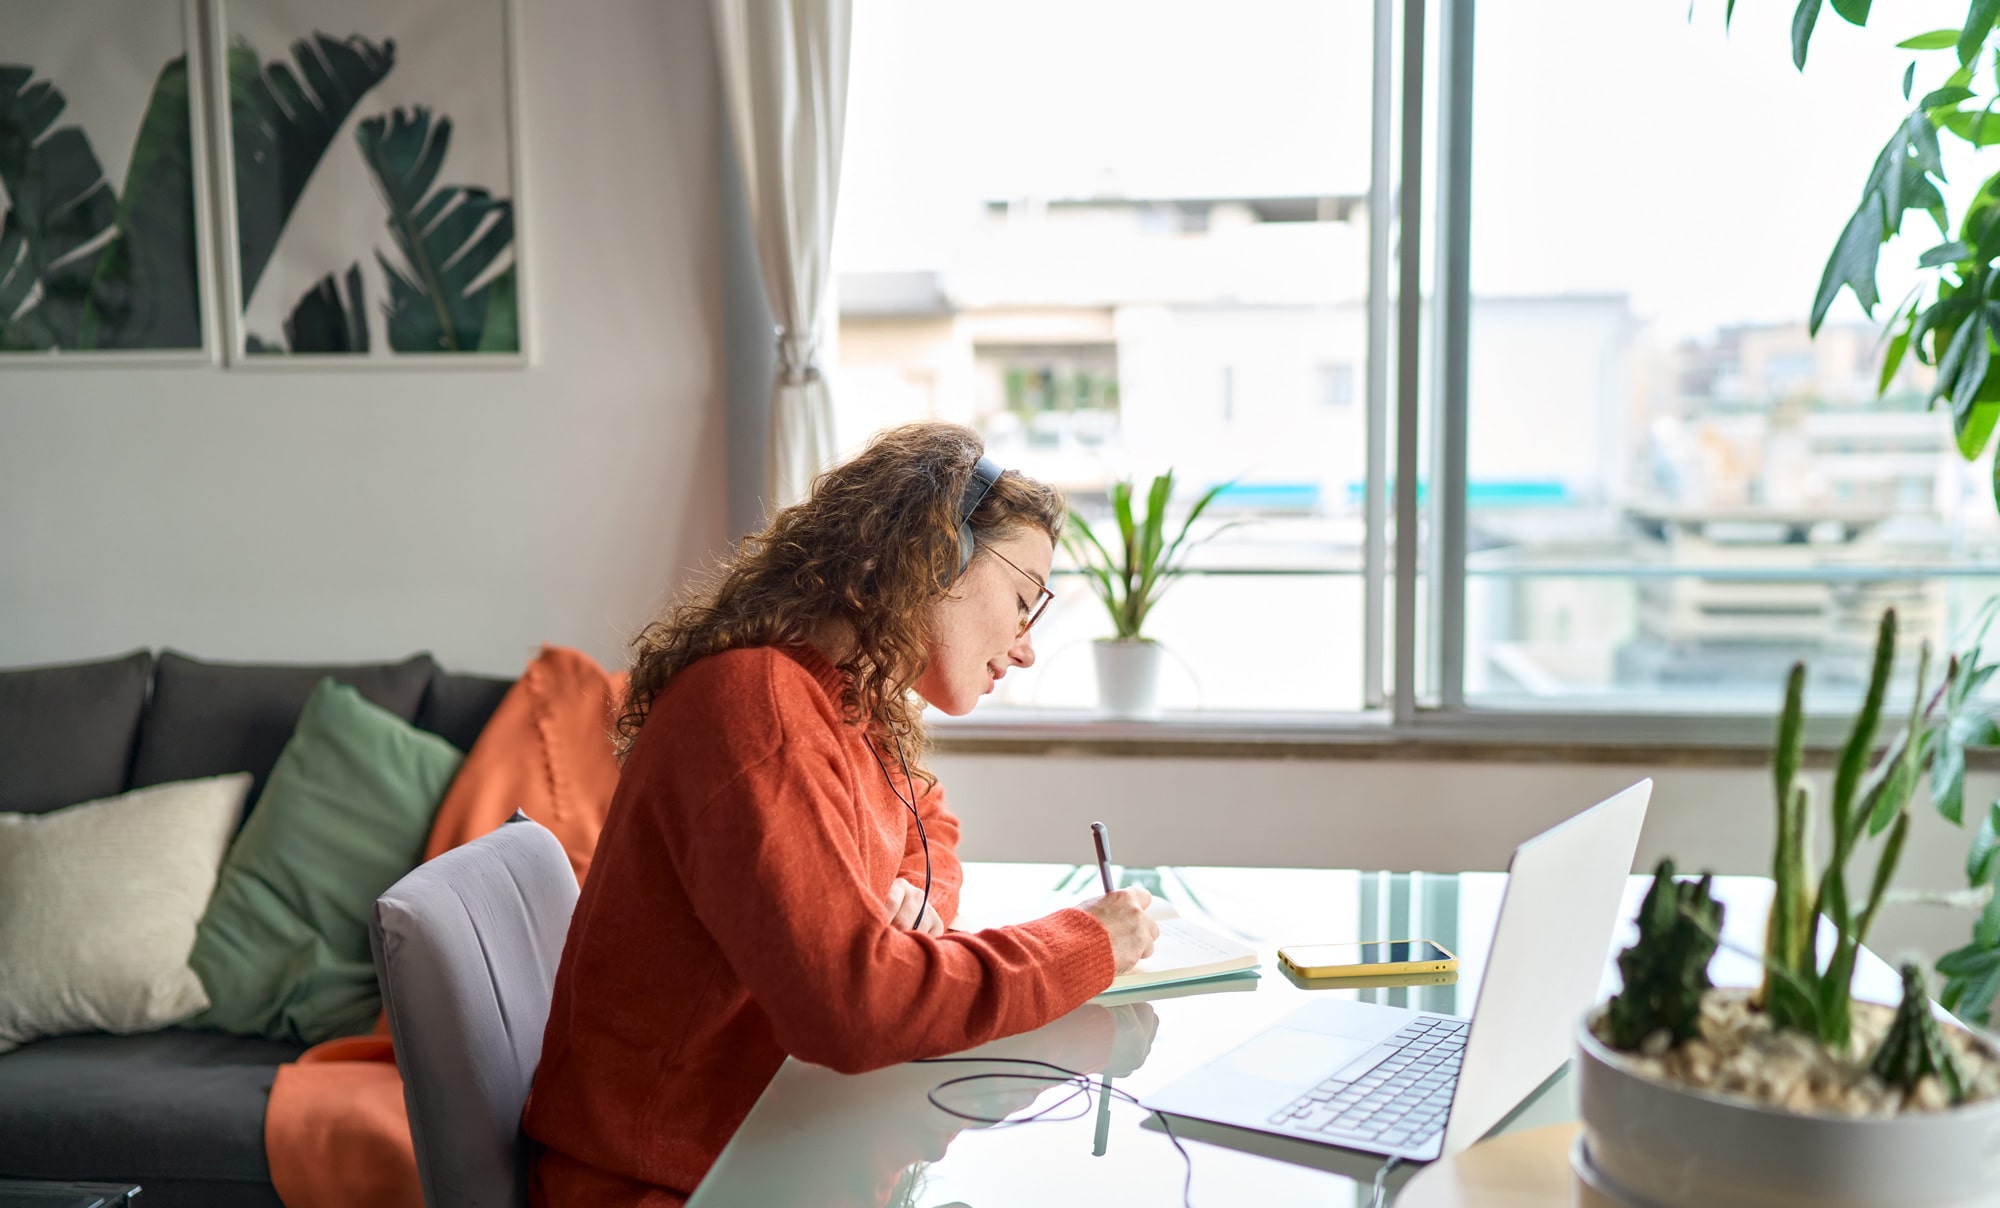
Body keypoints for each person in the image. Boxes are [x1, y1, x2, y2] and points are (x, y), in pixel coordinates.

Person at [523, 422, 1161, 1207]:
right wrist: (1085, 943)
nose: (1026, 647)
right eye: (1024, 599)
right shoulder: (758, 710)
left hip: (772, 1146)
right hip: (675, 1186)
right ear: (939, 556)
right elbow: (856, 1010)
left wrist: (915, 894)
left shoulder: (846, 699)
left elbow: (930, 824)